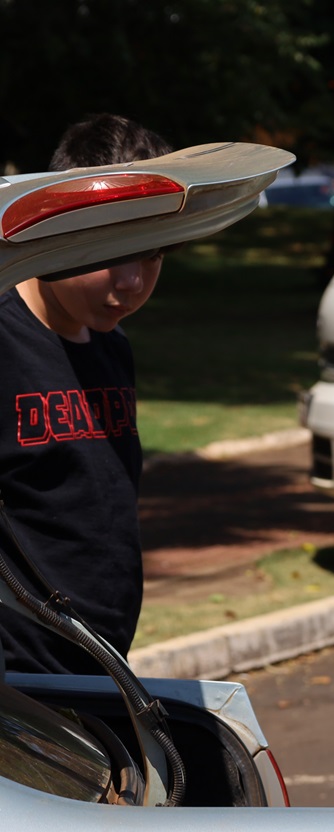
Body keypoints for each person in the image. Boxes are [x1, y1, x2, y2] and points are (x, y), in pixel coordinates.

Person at [0, 114, 173, 674]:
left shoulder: (111, 344)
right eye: (113, 252)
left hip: (101, 669)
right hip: (20, 686)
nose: (132, 282)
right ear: (57, 228)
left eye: (152, 254)